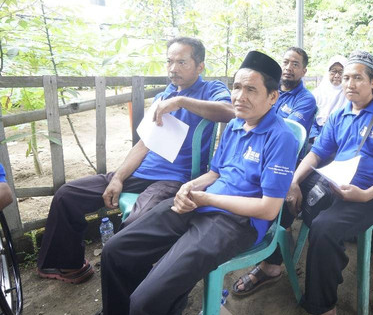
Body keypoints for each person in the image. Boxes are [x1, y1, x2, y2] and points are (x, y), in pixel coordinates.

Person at [75, 51, 298, 315]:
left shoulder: (281, 138)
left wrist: (206, 197)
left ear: (273, 97)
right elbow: (215, 172)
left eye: (251, 89)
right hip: (202, 203)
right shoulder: (236, 124)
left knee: (149, 299)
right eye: (237, 87)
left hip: (237, 223)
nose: (240, 96)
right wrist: (188, 187)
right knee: (116, 252)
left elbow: (268, 209)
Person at [232, 51, 373, 315]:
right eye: (347, 78)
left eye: (358, 78)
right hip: (337, 181)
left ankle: (324, 311)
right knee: (279, 194)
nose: (350, 84)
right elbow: (317, 153)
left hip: (372, 193)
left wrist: (364, 195)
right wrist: (292, 181)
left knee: (325, 228)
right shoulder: (340, 115)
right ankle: (272, 265)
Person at [36, 37, 235, 284]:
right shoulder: (165, 94)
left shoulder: (210, 90)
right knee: (67, 195)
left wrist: (181, 101)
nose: (173, 69)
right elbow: (143, 144)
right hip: (141, 172)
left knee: (133, 227)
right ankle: (69, 266)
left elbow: (230, 112)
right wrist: (118, 177)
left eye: (182, 62)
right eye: (169, 62)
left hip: (173, 180)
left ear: (200, 66)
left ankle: (136, 294)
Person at [276, 47, 317, 135]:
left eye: (295, 64)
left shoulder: (306, 99)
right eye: (285, 62)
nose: (288, 68)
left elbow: (288, 130)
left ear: (304, 72)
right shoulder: (268, 89)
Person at [309, 55, 348, 141]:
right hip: (317, 136)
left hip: (340, 138)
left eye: (341, 72)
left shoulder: (349, 95)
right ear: (328, 72)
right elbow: (308, 119)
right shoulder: (317, 94)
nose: (337, 75)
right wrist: (315, 137)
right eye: (333, 71)